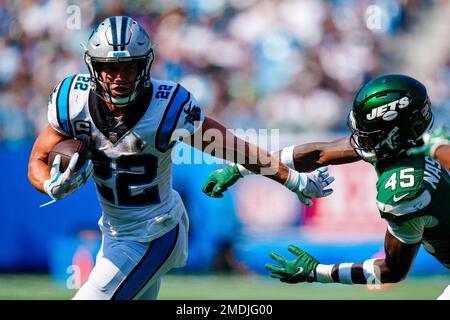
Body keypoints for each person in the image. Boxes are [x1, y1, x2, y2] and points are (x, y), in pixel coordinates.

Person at [27, 16, 334, 300]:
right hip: (114, 232)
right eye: (111, 68)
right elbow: (37, 160)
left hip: (155, 231)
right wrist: (52, 185)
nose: (119, 77)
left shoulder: (168, 107)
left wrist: (291, 179)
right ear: (93, 67)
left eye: (129, 67)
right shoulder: (73, 100)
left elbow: (234, 148)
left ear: (144, 66)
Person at [202, 74, 450, 299]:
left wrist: (317, 271)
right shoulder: (414, 143)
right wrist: (240, 168)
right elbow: (319, 154)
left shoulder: (405, 190)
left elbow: (392, 271)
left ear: (395, 134)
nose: (360, 138)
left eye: (370, 134)